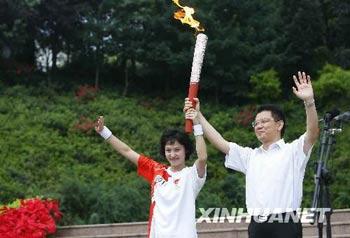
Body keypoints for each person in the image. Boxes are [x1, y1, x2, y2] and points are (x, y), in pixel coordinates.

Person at [183, 71, 319, 238]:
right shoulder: (250, 156)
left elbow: (312, 134)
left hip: (286, 224)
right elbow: (220, 142)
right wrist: (199, 116)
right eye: (256, 123)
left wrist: (309, 102)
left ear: (279, 125)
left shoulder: (293, 151)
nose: (259, 126)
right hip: (257, 225)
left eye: (264, 121)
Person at [94, 107, 207, 238]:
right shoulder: (156, 171)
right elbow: (127, 151)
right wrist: (104, 132)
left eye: (177, 150)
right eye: (168, 150)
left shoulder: (192, 175)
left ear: (186, 150)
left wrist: (197, 124)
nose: (172, 154)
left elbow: (203, 158)